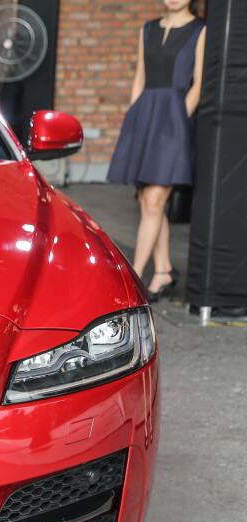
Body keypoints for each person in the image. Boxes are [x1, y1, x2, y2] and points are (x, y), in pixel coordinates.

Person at [107, 0, 206, 302]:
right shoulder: (147, 29)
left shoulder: (201, 30)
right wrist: (134, 119)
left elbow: (199, 85)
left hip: (174, 123)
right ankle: (163, 269)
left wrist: (177, 124)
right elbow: (140, 78)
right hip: (144, 118)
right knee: (146, 199)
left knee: (153, 202)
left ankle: (133, 281)